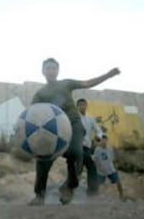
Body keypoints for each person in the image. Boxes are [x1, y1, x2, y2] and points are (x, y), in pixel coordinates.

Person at [29, 58, 120, 205]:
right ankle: (39, 195)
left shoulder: (66, 83)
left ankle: (68, 188)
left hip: (73, 124)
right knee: (43, 158)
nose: (51, 70)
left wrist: (107, 75)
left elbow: (87, 83)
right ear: (43, 71)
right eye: (48, 68)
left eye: (53, 68)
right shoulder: (40, 94)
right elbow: (32, 114)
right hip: (54, 129)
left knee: (75, 153)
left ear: (57, 70)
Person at [76, 98, 103, 196]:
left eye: (84, 104)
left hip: (87, 147)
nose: (82, 106)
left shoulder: (90, 119)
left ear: (87, 106)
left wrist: (98, 137)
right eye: (80, 105)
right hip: (77, 147)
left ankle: (91, 192)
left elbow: (99, 131)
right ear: (77, 107)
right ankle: (91, 192)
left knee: (85, 169)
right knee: (84, 167)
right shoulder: (74, 118)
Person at [93, 135, 124, 200]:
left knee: (118, 182)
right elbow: (95, 160)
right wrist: (98, 168)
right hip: (101, 171)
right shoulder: (97, 150)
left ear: (107, 140)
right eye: (102, 140)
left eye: (105, 140)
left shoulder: (110, 149)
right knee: (98, 185)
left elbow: (112, 159)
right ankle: (94, 198)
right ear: (101, 141)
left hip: (110, 170)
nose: (104, 142)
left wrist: (115, 168)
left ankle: (122, 196)